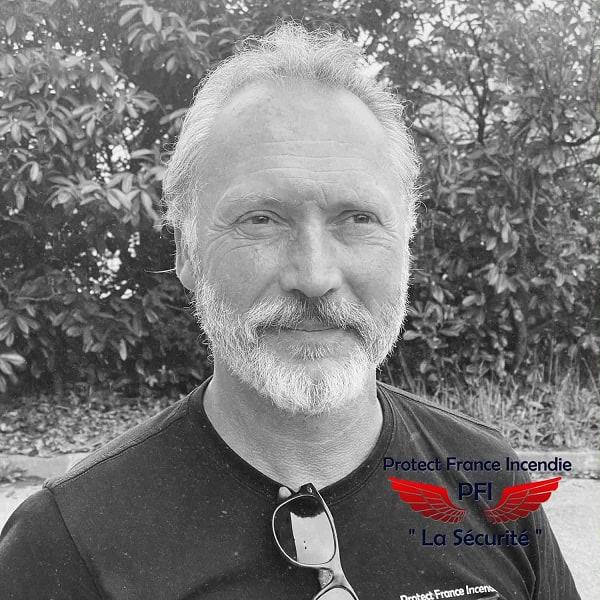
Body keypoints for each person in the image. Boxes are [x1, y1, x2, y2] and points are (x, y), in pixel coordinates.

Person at [0, 23, 579, 600]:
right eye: (262, 219)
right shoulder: (66, 543)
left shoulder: (489, 480)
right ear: (186, 251)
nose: (315, 277)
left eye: (358, 218)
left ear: (406, 243)